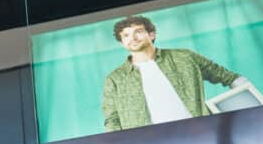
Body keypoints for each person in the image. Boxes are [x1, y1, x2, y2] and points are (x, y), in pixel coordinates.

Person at [101, 15, 247, 131]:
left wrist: (251, 105)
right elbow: (112, 119)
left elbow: (227, 77)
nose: (132, 38)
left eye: (138, 32)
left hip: (199, 131)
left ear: (152, 35)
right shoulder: (115, 79)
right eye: (126, 35)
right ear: (122, 43)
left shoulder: (184, 57)